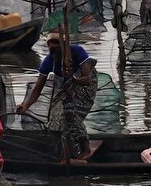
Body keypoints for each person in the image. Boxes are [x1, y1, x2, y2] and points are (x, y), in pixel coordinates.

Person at [14, 32, 98, 161]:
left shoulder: (77, 51)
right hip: (67, 86)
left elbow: (86, 78)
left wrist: (73, 79)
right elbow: (37, 89)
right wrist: (25, 105)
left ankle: (85, 147)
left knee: (71, 112)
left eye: (57, 49)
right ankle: (68, 150)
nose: (55, 53)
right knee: (56, 118)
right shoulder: (49, 61)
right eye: (51, 50)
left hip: (84, 86)